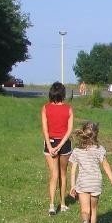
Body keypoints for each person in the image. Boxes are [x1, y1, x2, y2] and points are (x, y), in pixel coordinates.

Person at [69, 121, 112, 223]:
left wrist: (72, 185)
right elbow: (105, 164)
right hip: (95, 182)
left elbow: (73, 170)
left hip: (83, 183)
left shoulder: (77, 150)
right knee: (94, 209)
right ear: (96, 135)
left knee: (85, 210)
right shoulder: (99, 149)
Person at [42, 82, 74, 215]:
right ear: (63, 93)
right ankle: (62, 203)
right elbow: (69, 130)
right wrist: (60, 145)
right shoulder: (69, 109)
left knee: (53, 175)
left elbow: (45, 129)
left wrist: (50, 147)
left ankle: (51, 205)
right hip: (64, 144)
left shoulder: (45, 108)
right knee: (63, 174)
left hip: (50, 143)